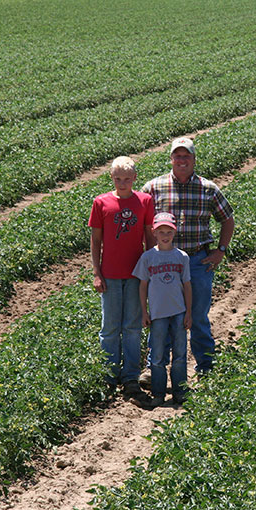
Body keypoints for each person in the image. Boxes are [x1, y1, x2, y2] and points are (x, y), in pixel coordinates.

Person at [140, 137, 235, 381]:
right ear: (171, 159)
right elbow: (141, 221)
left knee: (198, 315)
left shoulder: (208, 188)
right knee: (162, 314)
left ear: (194, 159)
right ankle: (154, 368)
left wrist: (220, 250)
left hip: (197, 261)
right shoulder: (153, 187)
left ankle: (205, 366)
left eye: (187, 156)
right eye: (177, 156)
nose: (182, 160)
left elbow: (227, 218)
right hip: (163, 263)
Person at [89, 156, 154, 408]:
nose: (123, 183)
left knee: (132, 326)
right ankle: (109, 375)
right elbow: (96, 241)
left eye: (127, 179)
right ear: (111, 178)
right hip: (110, 274)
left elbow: (149, 237)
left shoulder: (144, 201)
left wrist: (150, 270)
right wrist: (97, 272)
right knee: (109, 327)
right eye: (118, 179)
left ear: (135, 179)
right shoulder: (101, 202)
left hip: (136, 274)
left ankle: (130, 377)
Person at [132, 212, 192, 407]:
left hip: (179, 312)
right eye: (161, 232)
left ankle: (180, 392)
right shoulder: (148, 257)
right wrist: (144, 311)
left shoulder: (181, 256)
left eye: (168, 231)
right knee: (157, 356)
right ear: (153, 233)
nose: (165, 235)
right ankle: (158, 393)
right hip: (157, 314)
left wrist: (189, 312)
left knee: (180, 354)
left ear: (175, 232)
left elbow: (187, 286)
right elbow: (142, 286)